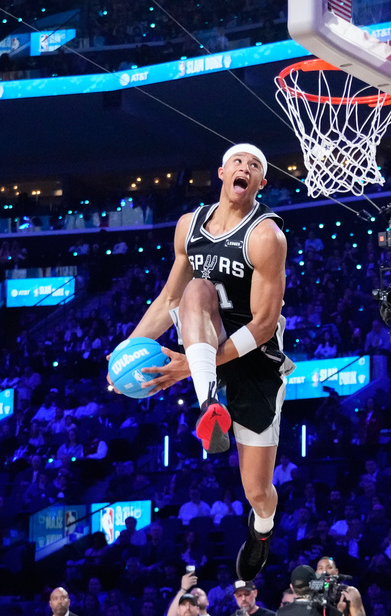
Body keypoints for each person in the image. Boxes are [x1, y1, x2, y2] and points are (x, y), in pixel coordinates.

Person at [113, 143, 291, 581]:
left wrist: (191, 365)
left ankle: (262, 531)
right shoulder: (188, 227)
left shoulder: (267, 235)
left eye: (254, 165)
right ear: (221, 172)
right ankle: (209, 402)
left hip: (254, 356)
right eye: (238, 161)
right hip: (204, 345)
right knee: (195, 290)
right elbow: (170, 299)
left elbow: (265, 324)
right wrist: (126, 353)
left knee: (257, 491)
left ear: (260, 184)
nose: (244, 167)